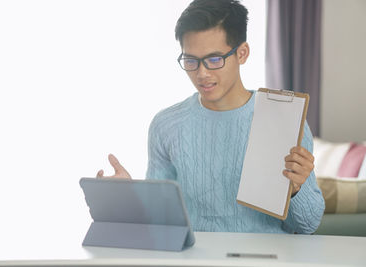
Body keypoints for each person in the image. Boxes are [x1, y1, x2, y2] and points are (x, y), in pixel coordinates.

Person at [97, 0, 325, 234]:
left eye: (215, 59)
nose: (202, 73)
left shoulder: (284, 120)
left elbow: (307, 226)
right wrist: (128, 200)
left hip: (264, 259)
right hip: (195, 258)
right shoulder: (166, 125)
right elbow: (160, 222)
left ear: (242, 53)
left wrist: (297, 189)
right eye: (191, 61)